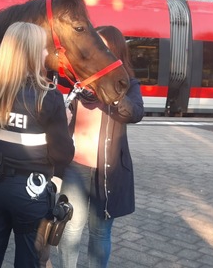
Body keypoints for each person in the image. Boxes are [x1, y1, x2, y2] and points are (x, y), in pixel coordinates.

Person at [0, 22, 75, 267]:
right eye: (43, 49)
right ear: (31, 53)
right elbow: (63, 155)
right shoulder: (49, 97)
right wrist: (65, 124)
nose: (47, 54)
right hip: (31, 193)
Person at [55, 25, 145, 268]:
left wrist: (114, 95)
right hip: (74, 168)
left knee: (99, 234)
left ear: (114, 51)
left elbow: (135, 113)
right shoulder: (79, 83)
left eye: (102, 47)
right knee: (69, 229)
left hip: (108, 173)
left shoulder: (127, 85)